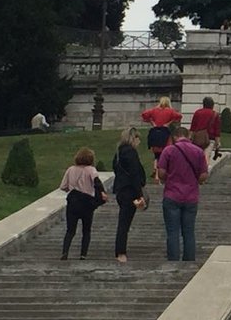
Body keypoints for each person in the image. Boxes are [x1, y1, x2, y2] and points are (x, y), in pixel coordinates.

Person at [156, 123, 208, 261]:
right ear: (188, 136)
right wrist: (195, 180)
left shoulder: (168, 151)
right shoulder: (198, 152)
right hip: (191, 196)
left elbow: (161, 173)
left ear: (175, 137)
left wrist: (169, 178)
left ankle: (173, 261)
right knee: (189, 232)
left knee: (173, 232)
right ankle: (189, 261)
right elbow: (203, 175)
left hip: (172, 195)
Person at [58, 147, 105, 260]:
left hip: (73, 201)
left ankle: (65, 252)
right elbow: (97, 182)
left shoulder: (70, 169)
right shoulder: (91, 169)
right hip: (87, 202)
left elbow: (63, 186)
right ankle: (83, 254)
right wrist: (102, 193)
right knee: (86, 230)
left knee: (70, 230)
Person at [111, 127, 147, 264]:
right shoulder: (131, 153)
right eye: (138, 138)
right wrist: (140, 194)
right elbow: (135, 174)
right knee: (124, 223)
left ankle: (120, 250)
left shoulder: (119, 152)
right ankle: (120, 251)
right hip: (130, 191)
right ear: (133, 138)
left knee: (124, 221)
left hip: (121, 190)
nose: (139, 141)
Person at [141, 96, 182, 174]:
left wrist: (152, 122)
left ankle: (155, 170)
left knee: (156, 154)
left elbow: (144, 115)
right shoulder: (170, 111)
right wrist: (169, 122)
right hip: (165, 132)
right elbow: (179, 116)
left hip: (155, 132)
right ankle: (164, 170)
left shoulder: (154, 110)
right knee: (165, 153)